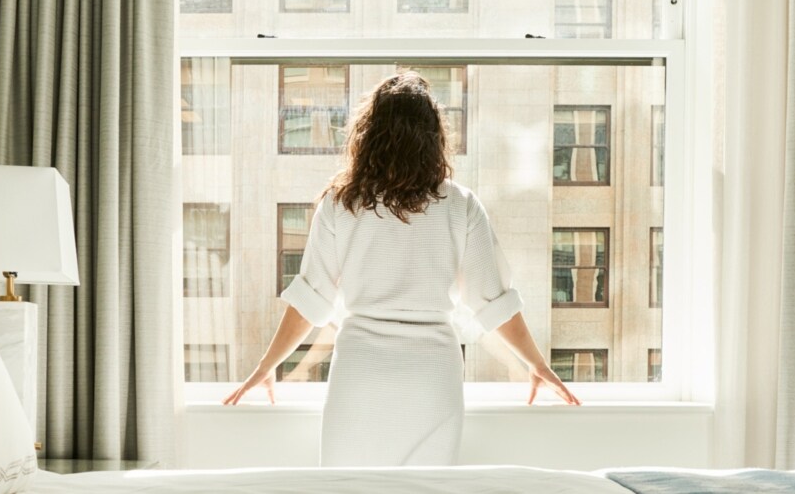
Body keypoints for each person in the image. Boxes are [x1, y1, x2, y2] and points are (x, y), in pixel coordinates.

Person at [222, 71, 581, 467]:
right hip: (431, 374)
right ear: (433, 137)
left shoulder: (342, 203)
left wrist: (267, 365)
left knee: (348, 487)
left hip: (361, 371)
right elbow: (492, 301)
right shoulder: (460, 204)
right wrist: (537, 364)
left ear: (368, 133)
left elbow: (311, 298)